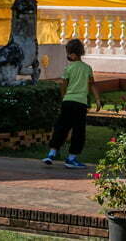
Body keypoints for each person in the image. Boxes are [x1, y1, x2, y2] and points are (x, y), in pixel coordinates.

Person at [41, 38, 93, 168]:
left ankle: (51, 153)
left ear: (74, 54)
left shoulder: (68, 68)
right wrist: (97, 100)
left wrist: (64, 97)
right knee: (78, 131)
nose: (68, 56)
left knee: (61, 127)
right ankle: (71, 158)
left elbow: (63, 86)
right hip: (80, 103)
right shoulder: (87, 68)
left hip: (67, 102)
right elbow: (92, 85)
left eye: (69, 53)